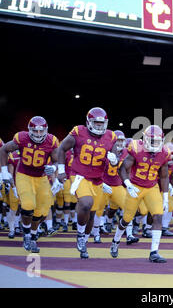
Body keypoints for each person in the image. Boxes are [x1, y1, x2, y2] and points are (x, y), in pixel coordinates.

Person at [56, 107, 118, 259]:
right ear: (89, 122)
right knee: (85, 203)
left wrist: (114, 160)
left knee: (91, 214)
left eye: (101, 123)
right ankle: (79, 234)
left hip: (97, 180)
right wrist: (60, 170)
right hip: (79, 176)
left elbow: (115, 161)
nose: (99, 126)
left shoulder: (111, 136)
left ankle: (84, 240)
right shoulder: (78, 132)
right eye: (96, 123)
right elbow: (62, 149)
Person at [110, 125, 170, 263]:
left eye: (158, 141)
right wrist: (128, 184)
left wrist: (166, 196)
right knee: (126, 219)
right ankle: (116, 240)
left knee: (158, 216)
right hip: (136, 186)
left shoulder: (164, 153)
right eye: (152, 141)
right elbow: (122, 169)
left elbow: (164, 176)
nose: (155, 144)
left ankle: (154, 252)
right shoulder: (136, 148)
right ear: (146, 139)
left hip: (151, 187)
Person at [0, 117, 59, 253]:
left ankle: (32, 235)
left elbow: (56, 160)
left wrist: (54, 169)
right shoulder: (21, 138)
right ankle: (27, 235)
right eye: (35, 131)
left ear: (46, 130)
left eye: (41, 131)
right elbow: (3, 150)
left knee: (42, 211)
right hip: (24, 175)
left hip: (42, 178)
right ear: (29, 130)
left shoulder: (52, 140)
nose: (38, 134)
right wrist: (4, 172)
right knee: (28, 205)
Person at [101, 130, 139, 245]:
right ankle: (97, 232)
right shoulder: (104, 150)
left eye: (122, 140)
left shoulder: (127, 153)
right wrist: (101, 182)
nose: (120, 142)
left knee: (128, 207)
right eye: (118, 140)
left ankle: (130, 235)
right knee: (98, 208)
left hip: (118, 184)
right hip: (104, 183)